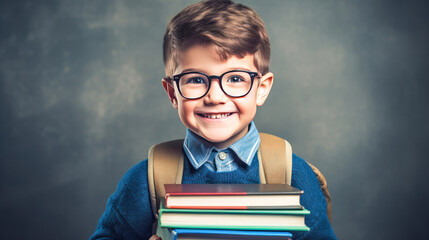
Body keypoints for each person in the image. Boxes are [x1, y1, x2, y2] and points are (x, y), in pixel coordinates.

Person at [90, 0, 337, 239]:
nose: (215, 97)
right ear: (172, 93)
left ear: (262, 88)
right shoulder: (144, 181)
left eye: (236, 79)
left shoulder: (293, 175)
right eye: (196, 80)